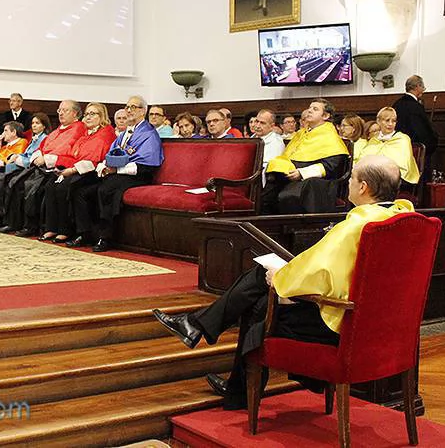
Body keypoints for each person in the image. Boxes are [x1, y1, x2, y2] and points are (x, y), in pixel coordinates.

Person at [152, 155, 411, 409]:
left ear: (364, 187)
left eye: (353, 177)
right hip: (380, 322)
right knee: (261, 291)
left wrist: (280, 279)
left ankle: (225, 367)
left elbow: (321, 273)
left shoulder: (357, 225)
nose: (349, 183)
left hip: (339, 321)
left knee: (260, 300)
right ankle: (215, 354)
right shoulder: (404, 218)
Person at [70, 96, 164, 252]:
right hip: (117, 172)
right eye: (127, 107)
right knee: (81, 188)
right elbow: (111, 154)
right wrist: (103, 166)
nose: (128, 110)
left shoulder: (149, 134)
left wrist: (116, 170)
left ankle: (105, 237)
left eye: (133, 107)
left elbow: (147, 165)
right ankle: (85, 232)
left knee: (106, 189)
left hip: (138, 175)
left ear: (143, 111)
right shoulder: (125, 133)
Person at [3, 100, 85, 236]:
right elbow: (44, 145)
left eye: (65, 110)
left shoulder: (78, 128)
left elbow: (65, 149)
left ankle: (35, 226)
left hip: (60, 167)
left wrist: (46, 158)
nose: (61, 113)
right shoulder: (59, 129)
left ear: (75, 113)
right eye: (59, 110)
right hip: (43, 166)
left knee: (34, 187)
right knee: (16, 182)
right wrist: (39, 155)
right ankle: (18, 223)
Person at [40, 103, 116, 243]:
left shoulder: (105, 133)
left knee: (66, 187)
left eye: (93, 114)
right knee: (51, 185)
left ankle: (71, 230)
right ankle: (53, 227)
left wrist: (71, 170)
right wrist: (63, 169)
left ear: (102, 116)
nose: (88, 117)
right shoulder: (86, 134)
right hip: (77, 170)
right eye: (87, 114)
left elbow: (94, 160)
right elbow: (72, 153)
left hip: (93, 173)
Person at [263, 98, 349, 214]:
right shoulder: (301, 133)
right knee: (267, 192)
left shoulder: (330, 136)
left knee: (287, 196)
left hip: (315, 181)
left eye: (315, 109)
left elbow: (332, 166)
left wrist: (301, 173)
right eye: (309, 108)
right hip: (291, 175)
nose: (309, 111)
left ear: (325, 116)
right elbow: (288, 156)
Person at [0, 113, 51, 232]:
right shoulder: (34, 139)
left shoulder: (44, 139)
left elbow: (32, 160)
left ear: (44, 126)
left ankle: (14, 223)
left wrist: (17, 158)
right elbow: (25, 155)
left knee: (13, 184)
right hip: (24, 167)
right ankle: (4, 220)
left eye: (37, 123)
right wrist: (17, 156)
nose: (34, 125)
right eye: (33, 123)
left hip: (34, 170)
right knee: (3, 181)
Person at [354, 107, 420, 184]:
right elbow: (364, 159)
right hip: (372, 176)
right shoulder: (374, 139)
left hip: (394, 178)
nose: (390, 124)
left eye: (394, 121)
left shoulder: (402, 139)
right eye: (387, 120)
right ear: (378, 121)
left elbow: (403, 163)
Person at [391, 75, 438, 173]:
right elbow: (421, 132)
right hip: (414, 153)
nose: (423, 90)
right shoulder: (416, 106)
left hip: (398, 152)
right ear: (417, 87)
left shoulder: (396, 104)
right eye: (423, 87)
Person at [251, 109, 285, 185]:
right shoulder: (252, 138)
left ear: (272, 126)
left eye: (262, 123)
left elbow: (268, 166)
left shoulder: (276, 142)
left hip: (261, 181)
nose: (257, 126)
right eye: (257, 121)